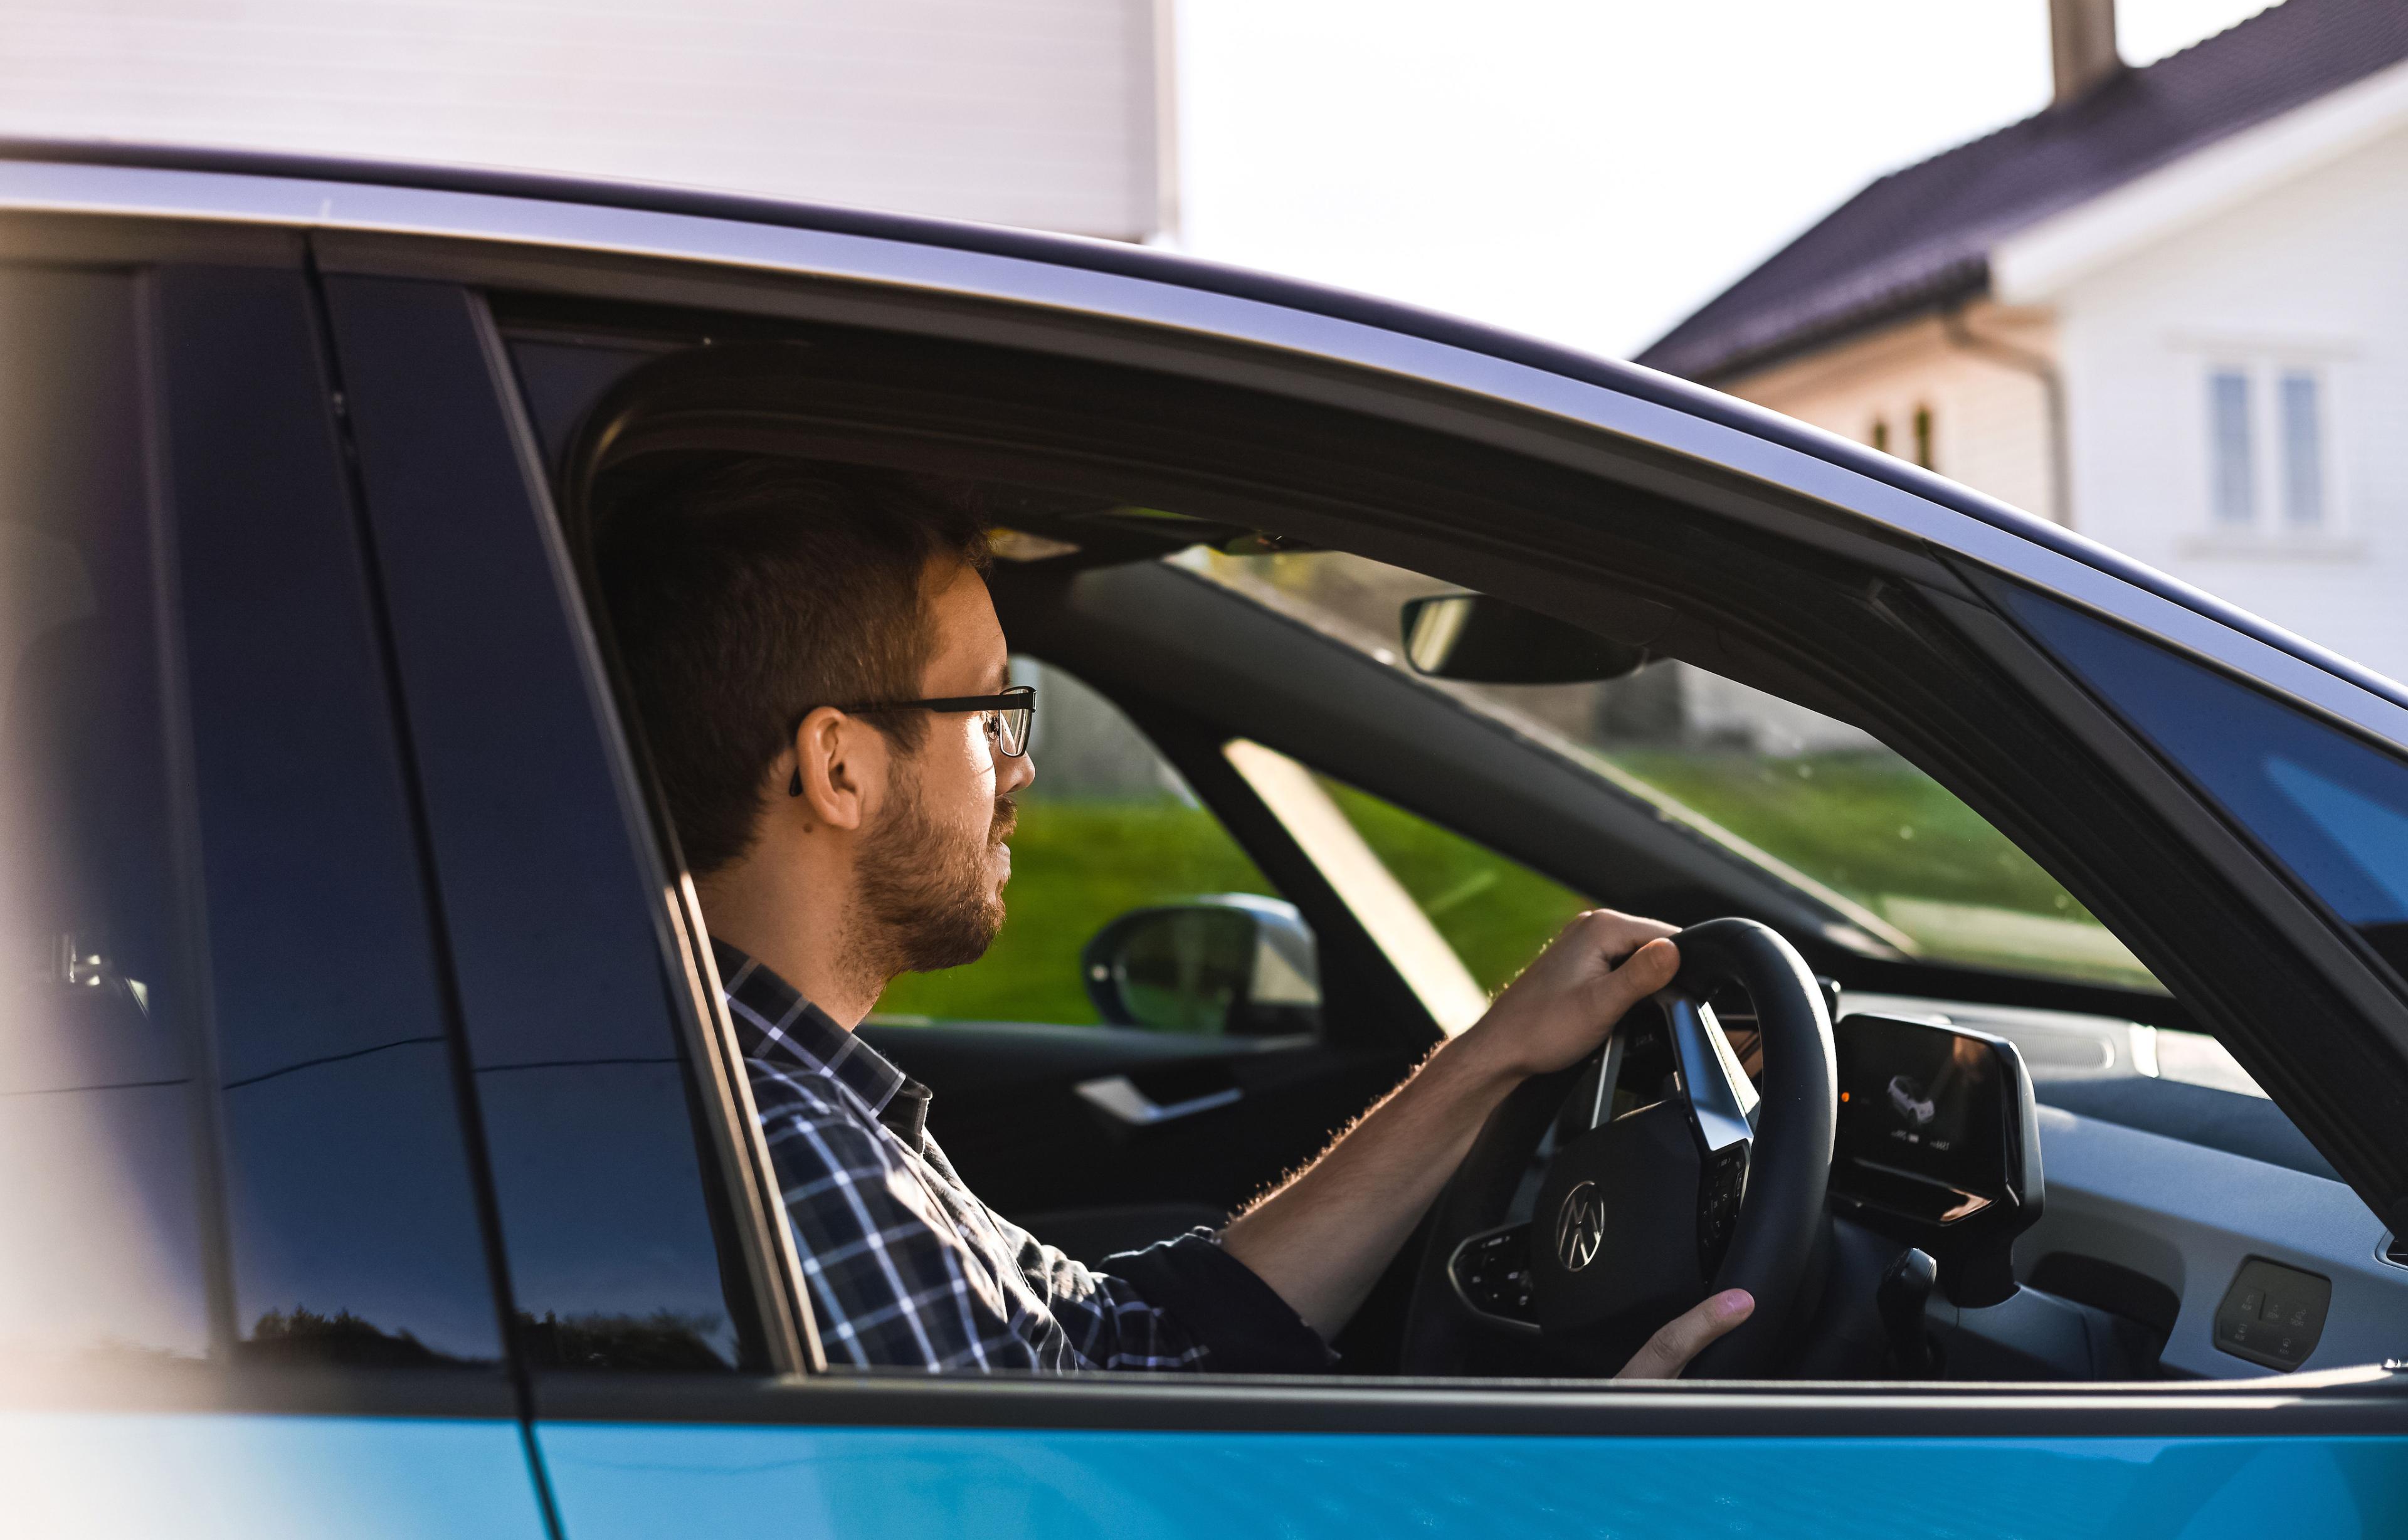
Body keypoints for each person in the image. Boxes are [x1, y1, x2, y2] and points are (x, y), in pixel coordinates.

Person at [598, 460, 1753, 1377]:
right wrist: (1593, 1489)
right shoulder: (786, 1166)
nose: (1020, 768)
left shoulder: (794, 1105)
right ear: (838, 766)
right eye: (992, 711)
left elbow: (1122, 1346)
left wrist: (1493, 1060)